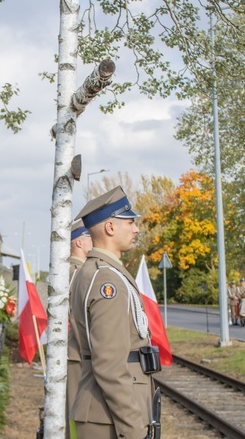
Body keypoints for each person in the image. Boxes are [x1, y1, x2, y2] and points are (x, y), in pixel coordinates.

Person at [69, 186, 157, 439]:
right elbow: (109, 364)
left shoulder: (97, 272)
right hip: (108, 418)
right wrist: (133, 429)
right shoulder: (108, 281)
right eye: (130, 222)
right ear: (110, 228)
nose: (136, 229)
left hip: (104, 413)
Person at [66, 219, 92, 438]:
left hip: (75, 352)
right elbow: (76, 316)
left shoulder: (75, 269)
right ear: (79, 243)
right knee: (75, 410)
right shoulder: (77, 271)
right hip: (76, 352)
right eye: (90, 238)